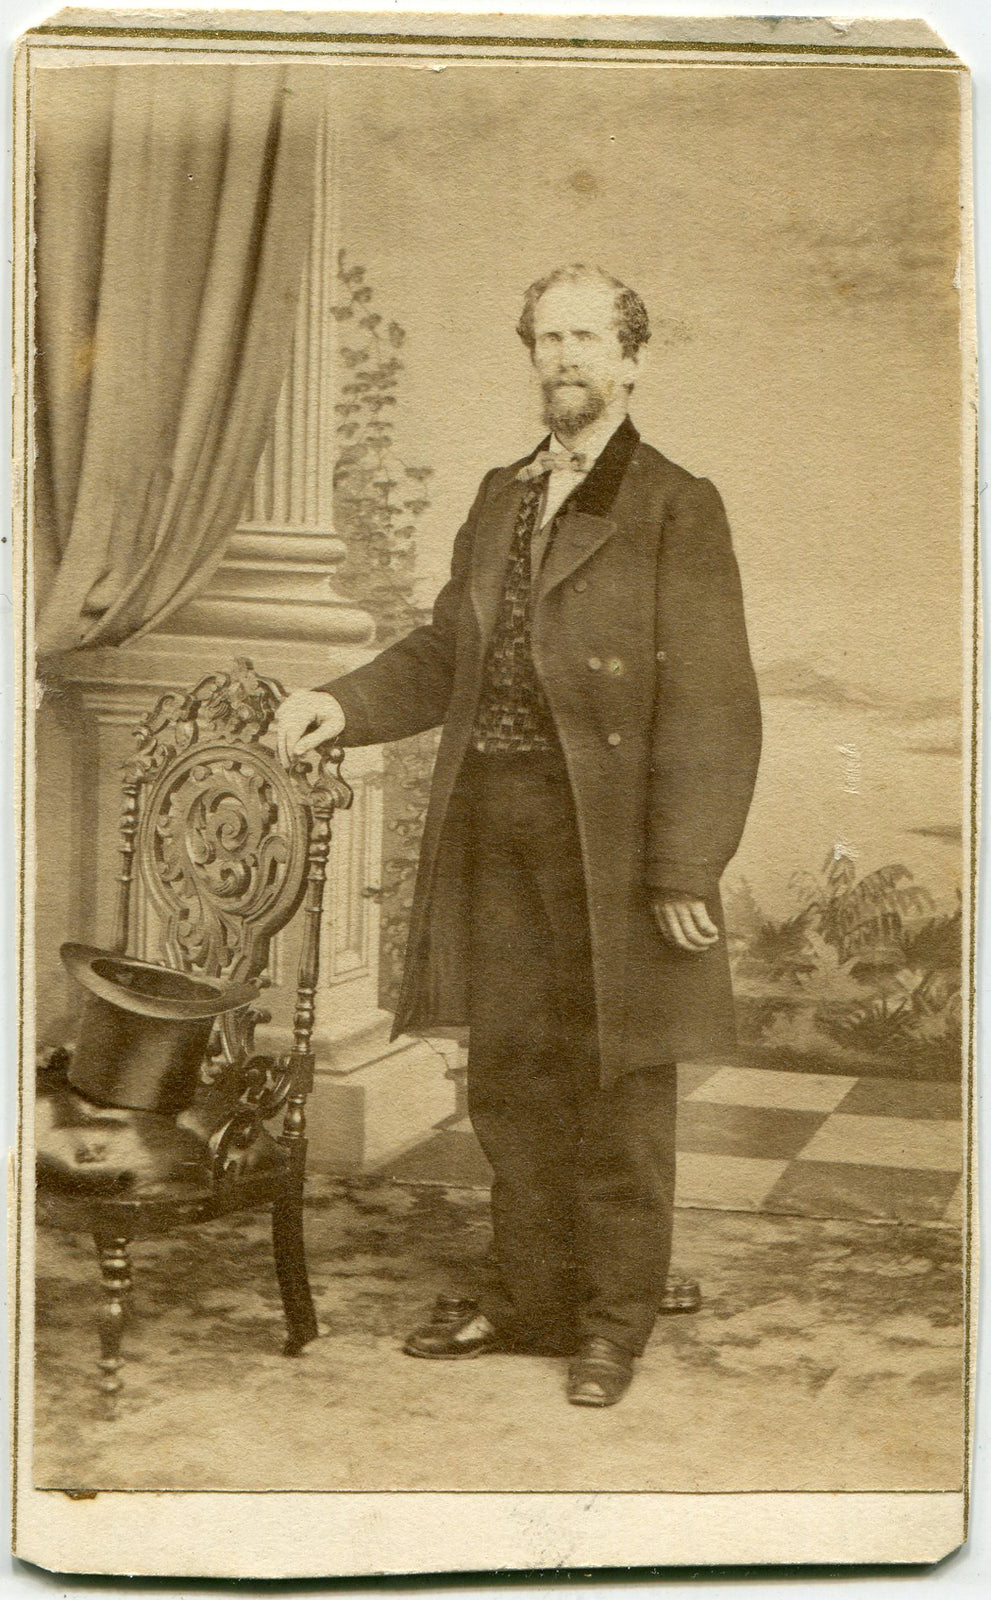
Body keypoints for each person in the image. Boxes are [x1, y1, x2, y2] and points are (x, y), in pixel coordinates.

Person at [274, 264, 761, 1407]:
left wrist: (686, 862)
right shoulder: (500, 496)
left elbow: (715, 697)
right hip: (496, 827)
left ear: (632, 359)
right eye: (547, 338)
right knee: (510, 1075)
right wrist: (341, 704)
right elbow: (447, 651)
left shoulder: (674, 502)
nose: (564, 358)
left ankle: (612, 1320)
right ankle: (529, 1294)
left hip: (613, 845)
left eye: (588, 337)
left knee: (619, 1079)